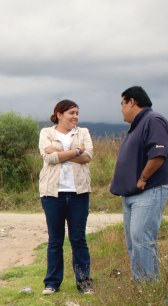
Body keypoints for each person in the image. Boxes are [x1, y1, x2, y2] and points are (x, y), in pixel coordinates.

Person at [109, 86, 168, 282]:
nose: (121, 108)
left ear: (132, 102)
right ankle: (142, 288)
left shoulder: (153, 120)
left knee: (142, 240)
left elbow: (158, 154)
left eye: (122, 103)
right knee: (134, 243)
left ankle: (149, 291)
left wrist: (143, 178)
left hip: (149, 191)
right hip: (131, 195)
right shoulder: (138, 125)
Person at [38, 99, 94, 295]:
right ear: (59, 114)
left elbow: (88, 157)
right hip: (52, 193)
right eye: (71, 113)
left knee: (78, 238)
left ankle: (84, 282)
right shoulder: (46, 133)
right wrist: (76, 151)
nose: (75, 117)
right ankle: (52, 283)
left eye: (77, 113)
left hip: (79, 193)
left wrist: (61, 152)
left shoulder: (83, 132)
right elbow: (49, 159)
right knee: (55, 240)